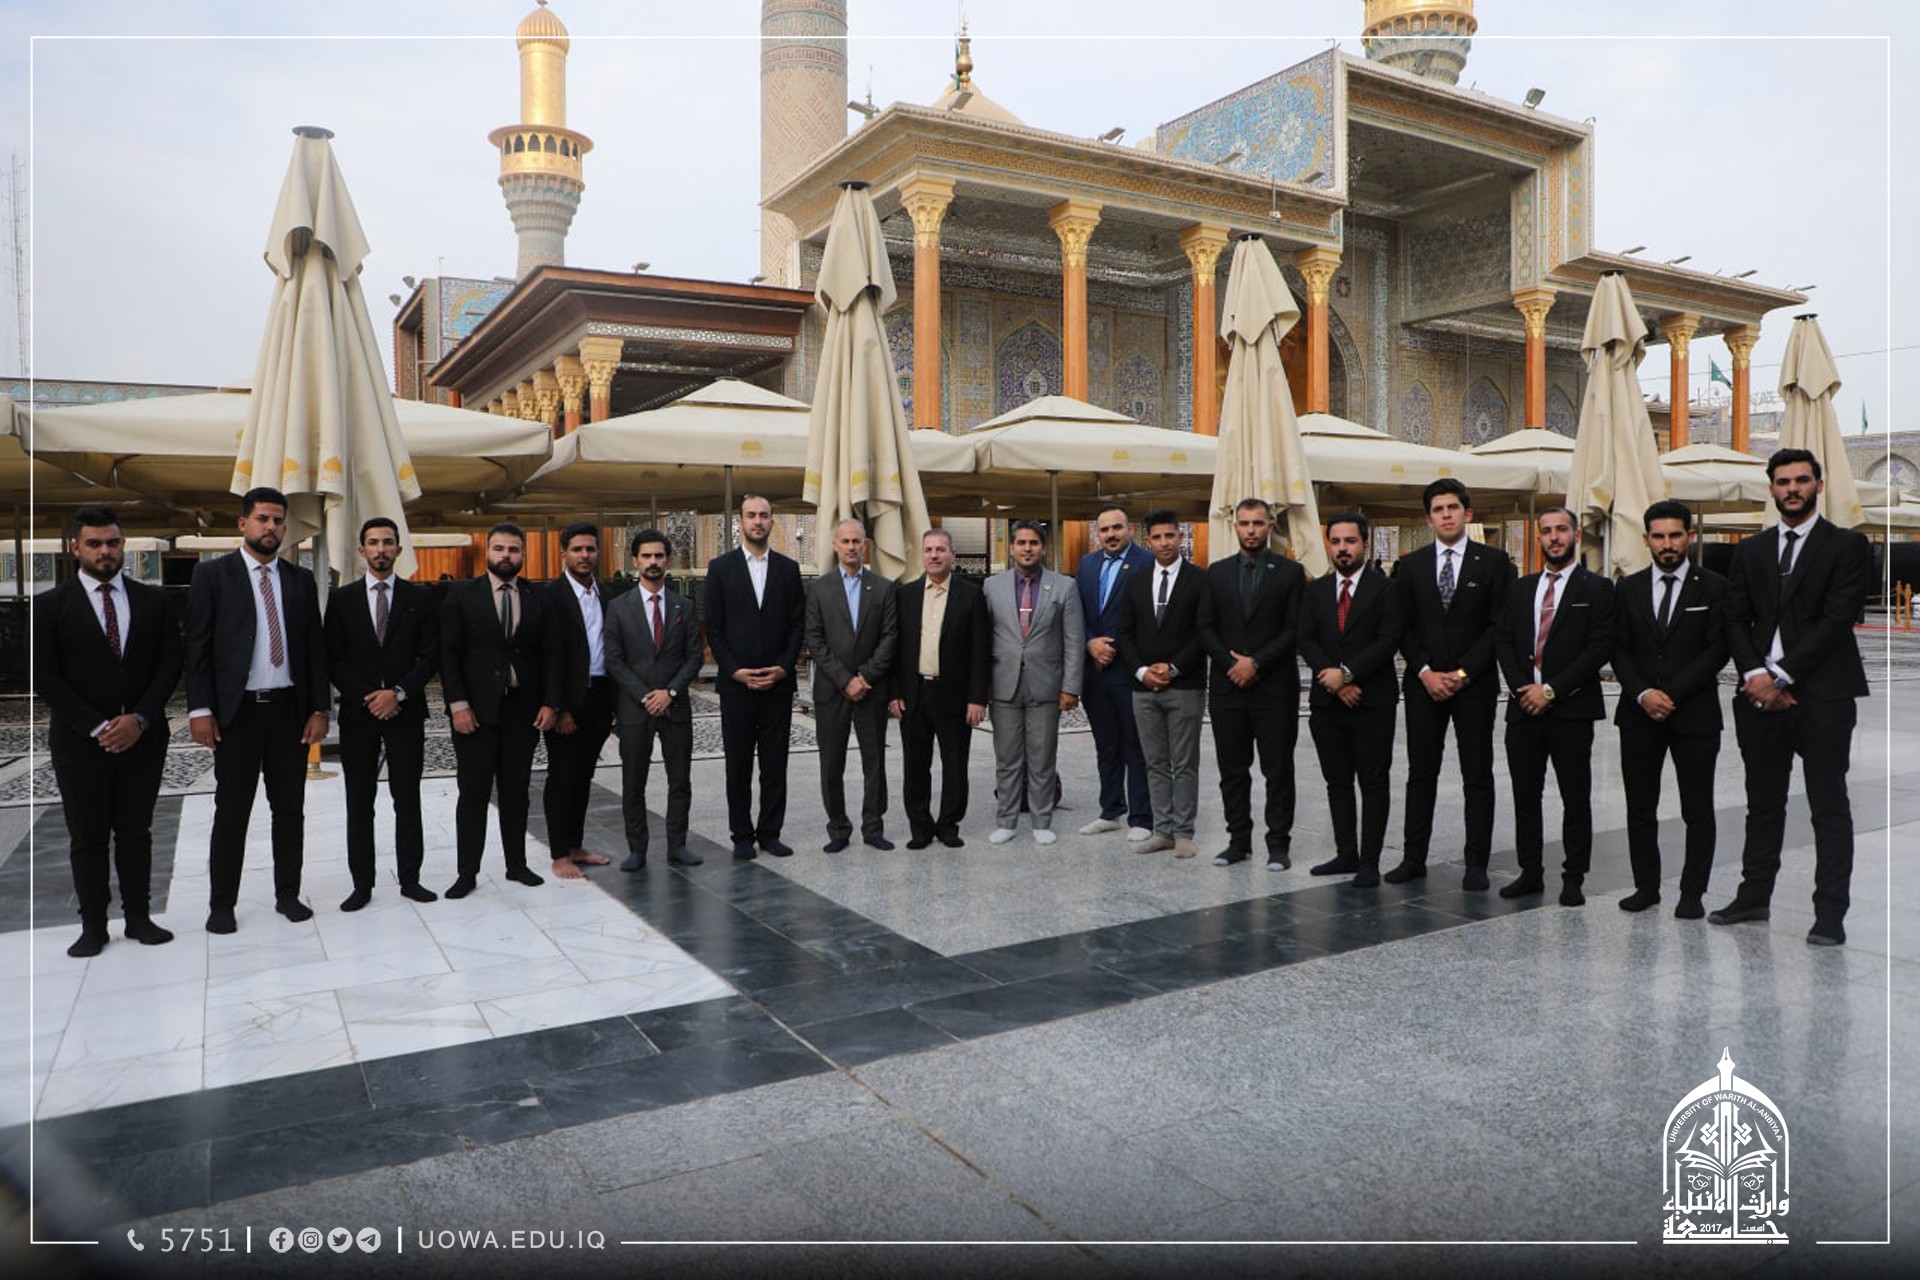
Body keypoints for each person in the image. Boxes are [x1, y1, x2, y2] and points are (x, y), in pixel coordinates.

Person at [1713, 448, 1872, 946]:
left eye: (1801, 480)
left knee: (1828, 806)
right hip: (1759, 698)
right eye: (1783, 482)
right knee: (1763, 804)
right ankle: (1753, 896)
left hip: (1823, 697)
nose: (1792, 489)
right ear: (1772, 489)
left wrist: (1779, 676)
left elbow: (1837, 619)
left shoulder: (1847, 545)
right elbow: (1734, 617)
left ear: (1818, 485)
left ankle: (1829, 914)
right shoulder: (1752, 550)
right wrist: (1755, 674)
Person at [34, 508, 183, 956]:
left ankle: (139, 917)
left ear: (123, 545)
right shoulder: (49, 606)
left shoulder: (153, 602)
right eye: (95, 544)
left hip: (143, 737)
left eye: (113, 543)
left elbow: (170, 664)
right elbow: (45, 676)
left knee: (136, 831)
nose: (105, 551)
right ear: (75, 547)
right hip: (80, 742)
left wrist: (139, 718)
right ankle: (93, 925)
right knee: (88, 836)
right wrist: (98, 726)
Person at [186, 487, 329, 934]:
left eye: (278, 520)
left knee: (290, 810)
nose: (271, 527)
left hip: (288, 713)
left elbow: (314, 649)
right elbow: (198, 648)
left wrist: (320, 707)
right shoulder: (213, 576)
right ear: (243, 523)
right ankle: (222, 903)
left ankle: (288, 894)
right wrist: (200, 709)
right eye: (263, 519)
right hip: (238, 715)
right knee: (232, 812)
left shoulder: (299, 580)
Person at [1390, 478, 1514, 890]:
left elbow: (1500, 626)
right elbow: (1402, 627)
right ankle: (1413, 858)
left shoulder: (1494, 563)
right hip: (1424, 685)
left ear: (1467, 513)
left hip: (1473, 686)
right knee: (1420, 773)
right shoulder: (1410, 566)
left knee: (1476, 774)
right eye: (1438, 510)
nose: (1446, 515)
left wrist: (1462, 674)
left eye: (1452, 508)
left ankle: (1476, 863)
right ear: (1428, 519)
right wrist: (1425, 671)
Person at [1611, 500, 1729, 918]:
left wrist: (1671, 693)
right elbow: (1618, 648)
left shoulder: (1714, 587)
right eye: (1659, 536)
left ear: (1689, 537)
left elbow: (1718, 649)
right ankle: (1646, 887)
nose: (1667, 544)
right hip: (1638, 714)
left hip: (1694, 715)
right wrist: (1643, 693)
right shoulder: (1627, 588)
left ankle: (1692, 892)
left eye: (1675, 535)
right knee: (1640, 806)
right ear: (1646, 539)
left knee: (1697, 808)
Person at [1492, 507, 1614, 906]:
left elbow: (1600, 646)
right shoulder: (1521, 588)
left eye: (1561, 529)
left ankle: (1573, 877)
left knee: (1575, 797)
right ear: (1538, 537)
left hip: (1571, 710)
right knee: (1525, 796)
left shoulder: (1597, 588)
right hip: (1523, 708)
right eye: (1546, 531)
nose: (1554, 537)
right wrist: (1522, 688)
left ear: (1576, 535)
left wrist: (1551, 691)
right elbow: (1503, 639)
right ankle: (1529, 871)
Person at [324, 517, 440, 911]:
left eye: (388, 542)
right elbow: (334, 658)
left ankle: (411, 879)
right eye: (373, 543)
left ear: (399, 550)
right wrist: (369, 697)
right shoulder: (342, 600)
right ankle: (362, 884)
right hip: (359, 715)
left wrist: (398, 694)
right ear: (362, 551)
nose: (381, 549)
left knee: (407, 798)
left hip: (406, 712)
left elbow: (429, 656)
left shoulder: (420, 597)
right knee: (360, 800)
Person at [440, 522, 561, 898]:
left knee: (516, 791)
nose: (506, 555)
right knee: (472, 793)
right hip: (474, 713)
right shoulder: (463, 594)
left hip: (522, 711)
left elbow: (551, 653)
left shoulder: (538, 596)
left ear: (523, 554)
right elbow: (448, 653)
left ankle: (516, 865)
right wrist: (458, 705)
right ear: (487, 552)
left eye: (513, 549)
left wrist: (551, 702)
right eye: (499, 549)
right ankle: (467, 872)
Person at [1297, 511, 1404, 888]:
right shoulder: (1315, 591)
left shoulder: (1386, 589)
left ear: (1365, 544)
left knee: (1373, 782)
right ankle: (1346, 853)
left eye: (1350, 541)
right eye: (1336, 542)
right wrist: (1334, 679)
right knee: (1337, 781)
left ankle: (1369, 862)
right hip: (1328, 704)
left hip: (1372, 702)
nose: (1343, 548)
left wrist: (1348, 673)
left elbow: (1388, 640)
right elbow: (1305, 638)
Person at [1199, 498, 1305, 870]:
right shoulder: (1217, 573)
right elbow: (1205, 627)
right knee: (1232, 769)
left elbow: (1294, 629)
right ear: (1235, 527)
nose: (1251, 530)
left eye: (1258, 523)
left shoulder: (1290, 572)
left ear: (1270, 526)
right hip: (1228, 687)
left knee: (1278, 770)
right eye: (1244, 523)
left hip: (1274, 687)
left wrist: (1256, 662)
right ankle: (1238, 841)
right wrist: (1232, 664)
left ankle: (1278, 843)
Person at [705, 494, 805, 860]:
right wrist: (734, 670)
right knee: (739, 764)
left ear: (772, 521)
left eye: (764, 515)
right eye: (751, 515)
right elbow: (713, 627)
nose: (758, 521)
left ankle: (770, 833)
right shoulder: (720, 568)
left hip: (778, 684)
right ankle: (742, 835)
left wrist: (784, 666)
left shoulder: (788, 569)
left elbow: (797, 625)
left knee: (775, 764)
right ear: (741, 522)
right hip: (737, 686)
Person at [604, 529, 702, 869]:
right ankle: (637, 849)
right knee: (633, 781)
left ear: (667, 560)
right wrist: (645, 695)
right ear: (635, 561)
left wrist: (670, 692)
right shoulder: (618, 608)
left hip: (675, 706)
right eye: (646, 556)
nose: (653, 562)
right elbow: (614, 659)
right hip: (636, 708)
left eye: (659, 555)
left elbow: (694, 657)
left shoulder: (684, 606)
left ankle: (678, 845)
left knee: (680, 780)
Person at [1115, 509, 1210, 859]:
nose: (1164, 542)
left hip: (1185, 685)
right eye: (1157, 537)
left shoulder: (1200, 580)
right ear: (1148, 541)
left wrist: (1173, 668)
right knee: (1154, 761)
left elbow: (1204, 631)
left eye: (1170, 535)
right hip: (1143, 688)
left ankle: (1183, 832)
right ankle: (1163, 830)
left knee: (1183, 762)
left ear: (1180, 537)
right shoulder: (1135, 581)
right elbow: (1124, 632)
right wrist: (1141, 671)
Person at [983, 520, 1084, 844]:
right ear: (1011, 548)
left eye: (1034, 543)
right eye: (1021, 543)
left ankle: (1041, 822)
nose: (1027, 548)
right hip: (1003, 684)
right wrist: (982, 686)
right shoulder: (991, 586)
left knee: (1042, 758)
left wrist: (1071, 686)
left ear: (1043, 548)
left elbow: (1073, 640)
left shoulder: (1064, 586)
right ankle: (1007, 821)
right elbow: (982, 639)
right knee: (1007, 759)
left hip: (1046, 685)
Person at [889, 527, 989, 850]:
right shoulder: (905, 595)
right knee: (915, 765)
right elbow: (896, 650)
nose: (934, 555)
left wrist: (977, 698)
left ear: (952, 555)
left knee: (955, 764)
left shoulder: (971, 595)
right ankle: (920, 826)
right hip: (914, 694)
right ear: (922, 555)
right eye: (929, 550)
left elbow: (980, 651)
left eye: (940, 549)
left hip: (955, 696)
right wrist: (895, 692)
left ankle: (948, 824)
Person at [804, 518, 900, 852]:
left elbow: (890, 637)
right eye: (845, 541)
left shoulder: (884, 588)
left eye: (856, 541)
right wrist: (845, 679)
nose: (851, 547)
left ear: (865, 545)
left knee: (875, 762)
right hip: (832, 691)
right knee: (832, 763)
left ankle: (873, 827)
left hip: (871, 690)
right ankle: (838, 829)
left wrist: (865, 677)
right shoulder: (819, 589)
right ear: (835, 545)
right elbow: (814, 639)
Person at [1073, 504, 1154, 841]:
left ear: (1130, 529)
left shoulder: (1147, 562)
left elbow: (1148, 617)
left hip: (1129, 670)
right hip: (1095, 672)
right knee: (1106, 745)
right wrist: (1090, 642)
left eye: (1117, 528)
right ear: (1097, 533)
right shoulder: (1087, 564)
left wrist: (1115, 646)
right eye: (1104, 529)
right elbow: (1076, 612)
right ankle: (1110, 810)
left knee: (1135, 745)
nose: (1111, 534)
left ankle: (1142, 817)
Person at [541, 522, 617, 881]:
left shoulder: (608, 595)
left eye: (590, 549)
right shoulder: (550, 596)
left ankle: (575, 845)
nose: (584, 555)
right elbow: (547, 655)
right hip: (566, 702)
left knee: (584, 775)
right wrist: (558, 707)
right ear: (564, 554)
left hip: (600, 696)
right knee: (562, 776)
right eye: (577, 549)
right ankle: (559, 854)